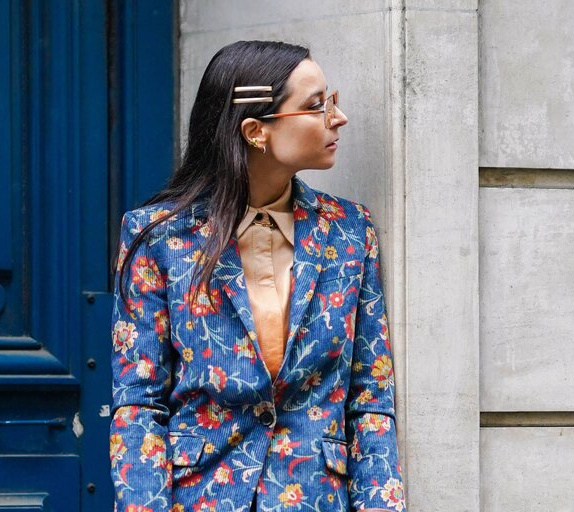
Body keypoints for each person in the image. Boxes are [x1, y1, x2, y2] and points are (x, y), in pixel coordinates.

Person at [109, 40, 407, 512]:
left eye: (332, 101)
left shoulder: (351, 233)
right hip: (202, 498)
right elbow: (139, 405)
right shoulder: (160, 239)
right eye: (315, 106)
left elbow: (370, 401)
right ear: (255, 131)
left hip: (315, 499)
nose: (338, 117)